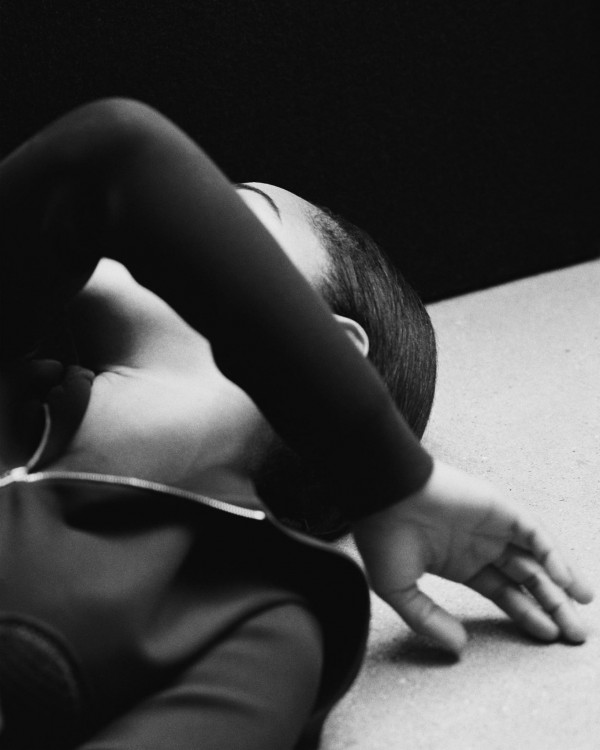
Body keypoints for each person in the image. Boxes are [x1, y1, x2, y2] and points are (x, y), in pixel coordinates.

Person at [0, 99, 593, 749]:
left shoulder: (256, 622)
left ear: (336, 349)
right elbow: (113, 153)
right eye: (196, 201)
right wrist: (386, 470)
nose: (193, 210)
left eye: (235, 208)